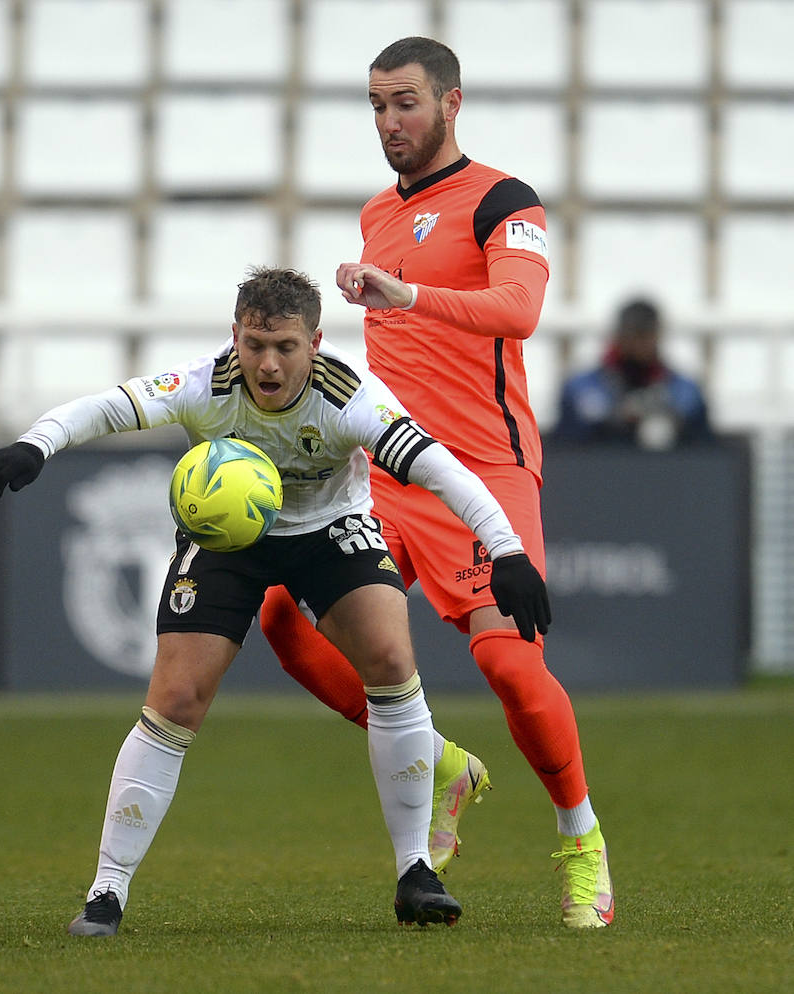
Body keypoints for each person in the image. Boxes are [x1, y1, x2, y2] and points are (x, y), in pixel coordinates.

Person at [0, 266, 551, 935]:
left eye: (284, 347)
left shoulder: (350, 395)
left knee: (392, 661)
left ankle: (415, 871)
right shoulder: (204, 383)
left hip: (328, 529)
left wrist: (505, 548)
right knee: (175, 702)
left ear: (315, 343)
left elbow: (439, 468)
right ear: (235, 338)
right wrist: (35, 443)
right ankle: (107, 891)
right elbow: (107, 406)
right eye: (254, 345)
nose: (268, 364)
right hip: (228, 539)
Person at [258, 37, 614, 928]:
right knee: (277, 617)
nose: (390, 123)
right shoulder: (379, 212)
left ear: (452, 103)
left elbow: (519, 311)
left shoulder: (504, 198)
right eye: (377, 105)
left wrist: (405, 295)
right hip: (382, 475)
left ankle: (581, 837)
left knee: (506, 660)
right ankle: (443, 763)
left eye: (406, 103)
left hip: (484, 471)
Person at [555, 296, 713, 449]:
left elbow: (705, 451)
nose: (639, 345)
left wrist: (671, 420)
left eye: (646, 335)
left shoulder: (684, 391)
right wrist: (614, 420)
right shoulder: (582, 388)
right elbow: (567, 447)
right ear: (618, 335)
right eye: (633, 335)